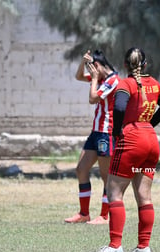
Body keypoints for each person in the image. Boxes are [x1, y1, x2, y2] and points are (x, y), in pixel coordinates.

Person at [89, 47, 160, 252]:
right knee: (144, 195)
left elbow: (118, 108)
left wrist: (118, 132)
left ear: (125, 65)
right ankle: (144, 247)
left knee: (114, 192)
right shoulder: (154, 83)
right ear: (145, 64)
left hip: (132, 139)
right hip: (150, 141)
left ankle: (115, 245)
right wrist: (148, 123)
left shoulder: (125, 84)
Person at [64, 50, 120, 225]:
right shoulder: (100, 78)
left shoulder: (113, 80)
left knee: (106, 176)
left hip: (106, 132)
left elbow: (93, 98)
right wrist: (83, 62)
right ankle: (84, 213)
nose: (90, 73)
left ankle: (105, 215)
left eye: (91, 68)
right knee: (81, 169)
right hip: (96, 132)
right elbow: (79, 76)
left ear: (97, 66)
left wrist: (94, 79)